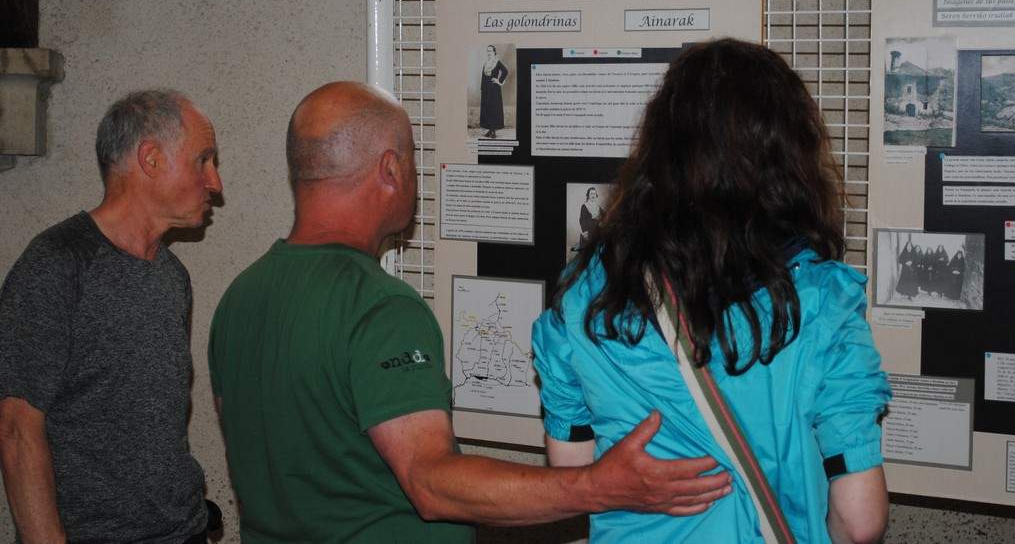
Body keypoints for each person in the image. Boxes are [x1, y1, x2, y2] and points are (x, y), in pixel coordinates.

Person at [208, 81, 732, 542]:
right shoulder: (380, 307)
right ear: (390, 169)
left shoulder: (240, 297)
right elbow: (431, 484)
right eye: (412, 159)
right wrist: (598, 486)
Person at [532, 39, 891, 543]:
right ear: (790, 152)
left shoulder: (589, 294)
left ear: (661, 150)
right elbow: (859, 521)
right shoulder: (821, 300)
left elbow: (572, 470)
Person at [0, 90, 222, 543]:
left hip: (183, 531)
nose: (215, 182)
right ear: (151, 158)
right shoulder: (57, 264)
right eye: (203, 160)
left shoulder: (172, 275)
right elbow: (17, 428)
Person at [478, 44, 508, 138]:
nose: (489, 52)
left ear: (494, 52)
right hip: (486, 89)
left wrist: (499, 81)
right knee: (487, 109)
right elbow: (483, 77)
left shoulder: (497, 62)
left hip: (494, 89)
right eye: (487, 51)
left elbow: (505, 71)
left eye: (490, 50)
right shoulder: (486, 63)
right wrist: (482, 89)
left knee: (494, 109)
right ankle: (490, 130)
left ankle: (493, 131)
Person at [572, 186, 604, 252]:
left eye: (594, 194)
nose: (593, 195)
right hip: (588, 231)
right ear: (588, 195)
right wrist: (585, 232)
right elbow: (582, 220)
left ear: (596, 195)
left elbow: (605, 216)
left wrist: (601, 221)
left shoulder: (598, 206)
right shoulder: (584, 206)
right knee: (588, 251)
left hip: (597, 230)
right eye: (591, 194)